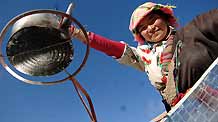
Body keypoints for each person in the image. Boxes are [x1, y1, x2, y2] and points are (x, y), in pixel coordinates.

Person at [69, 2, 218, 112]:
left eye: (153, 20)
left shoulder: (193, 32)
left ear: (165, 18)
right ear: (141, 35)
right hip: (185, 112)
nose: (150, 28)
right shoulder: (144, 57)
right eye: (143, 28)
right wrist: (75, 32)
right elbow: (113, 48)